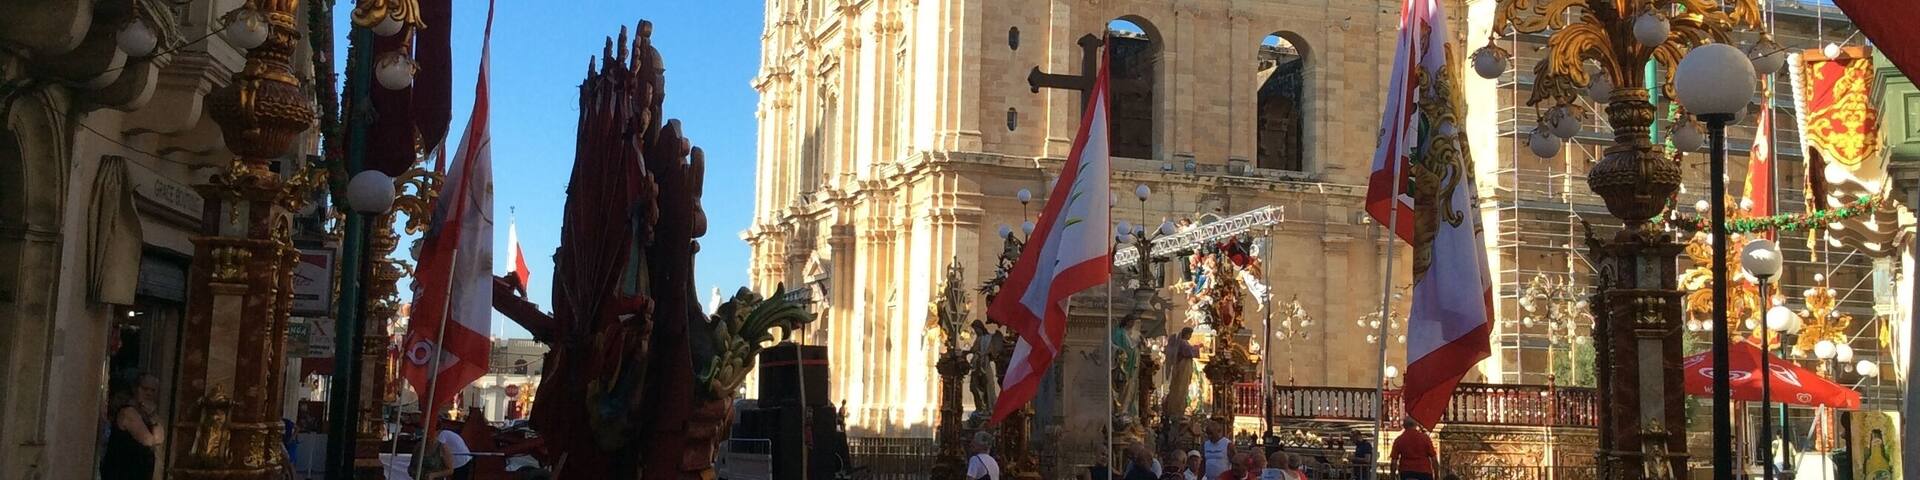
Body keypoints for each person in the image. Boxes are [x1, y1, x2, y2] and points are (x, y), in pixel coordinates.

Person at [101, 372, 163, 480]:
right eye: (145, 389)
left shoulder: (149, 415)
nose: (148, 393)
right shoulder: (128, 412)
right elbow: (147, 440)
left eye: (153, 390)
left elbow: (159, 439)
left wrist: (152, 416)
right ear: (136, 389)